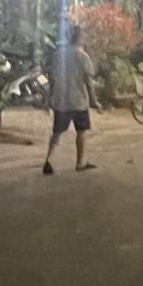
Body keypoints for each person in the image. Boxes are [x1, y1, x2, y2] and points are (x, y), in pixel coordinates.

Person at [43, 21, 100, 175]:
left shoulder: (58, 55)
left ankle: (48, 160)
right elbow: (88, 82)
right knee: (81, 132)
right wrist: (94, 101)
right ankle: (79, 163)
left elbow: (52, 80)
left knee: (57, 133)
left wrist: (49, 100)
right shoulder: (83, 57)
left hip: (61, 101)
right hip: (78, 101)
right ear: (81, 38)